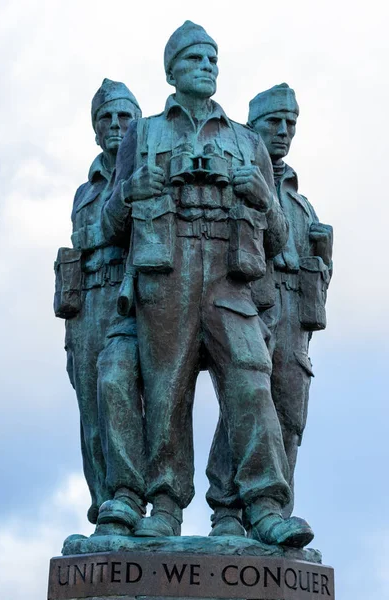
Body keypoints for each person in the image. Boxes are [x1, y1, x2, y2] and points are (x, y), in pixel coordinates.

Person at [102, 23, 313, 547]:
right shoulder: (144, 134)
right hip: (166, 275)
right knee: (166, 390)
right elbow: (109, 223)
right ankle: (166, 506)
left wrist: (262, 195)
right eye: (194, 58)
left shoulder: (245, 140)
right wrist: (130, 190)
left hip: (229, 279)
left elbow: (280, 238)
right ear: (172, 70)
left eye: (213, 59)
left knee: (251, 383)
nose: (207, 66)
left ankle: (264, 505)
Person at [206, 83, 333, 528]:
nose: (283, 131)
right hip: (249, 307)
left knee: (290, 419)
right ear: (251, 127)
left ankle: (277, 515)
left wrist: (323, 261)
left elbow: (320, 274)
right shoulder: (234, 179)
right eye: (273, 122)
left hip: (294, 324)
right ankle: (226, 507)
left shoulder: (302, 205)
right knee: (242, 406)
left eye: (290, 124)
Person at [55, 79, 146, 533]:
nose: (114, 125)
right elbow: (83, 242)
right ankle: (104, 509)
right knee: (91, 415)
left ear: (136, 124)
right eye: (105, 118)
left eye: (123, 116)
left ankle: (136, 500)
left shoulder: (145, 171)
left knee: (126, 403)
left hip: (132, 299)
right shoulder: (83, 191)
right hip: (86, 303)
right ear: (95, 129)